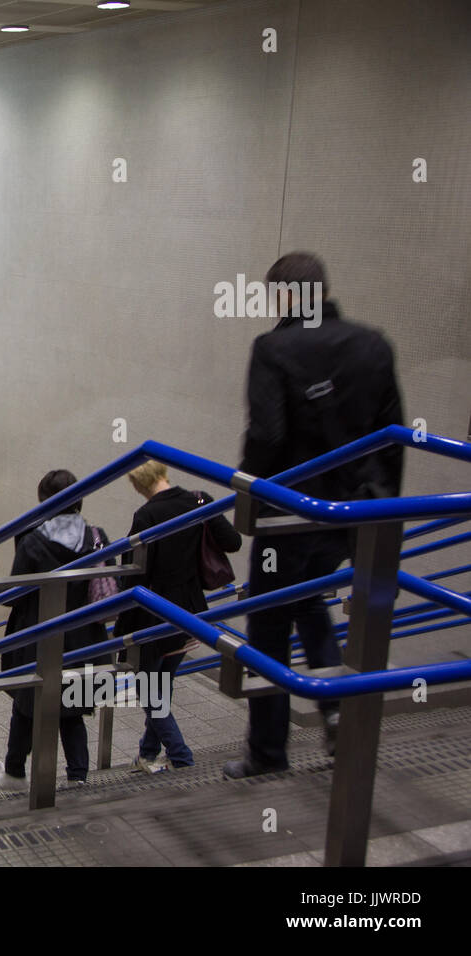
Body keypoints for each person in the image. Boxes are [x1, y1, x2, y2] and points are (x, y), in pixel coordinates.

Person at [224, 252, 404, 778]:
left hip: (291, 512)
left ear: (282, 296)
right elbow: (393, 434)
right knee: (310, 603)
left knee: (270, 625)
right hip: (356, 512)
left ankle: (267, 752)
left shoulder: (273, 347)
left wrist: (248, 495)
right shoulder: (373, 343)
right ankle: (339, 706)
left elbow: (268, 436)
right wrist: (387, 506)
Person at [116, 460, 241, 772]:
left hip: (153, 614)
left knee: (149, 689)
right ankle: (147, 754)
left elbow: (134, 574)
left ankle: (182, 758)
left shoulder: (146, 515)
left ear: (138, 485)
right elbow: (233, 542)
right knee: (162, 681)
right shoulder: (199, 500)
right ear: (163, 474)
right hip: (189, 611)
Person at [0, 469, 114, 791]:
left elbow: (16, 593)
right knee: (71, 708)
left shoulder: (32, 540)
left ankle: (15, 772)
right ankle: (78, 776)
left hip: (38, 634)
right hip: (82, 637)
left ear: (43, 501)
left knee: (27, 704)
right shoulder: (97, 536)